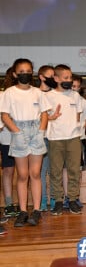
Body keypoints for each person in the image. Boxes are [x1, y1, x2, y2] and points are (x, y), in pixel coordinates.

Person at [0, 58, 50, 227]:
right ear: (15, 74)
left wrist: (41, 131)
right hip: (18, 131)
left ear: (32, 73)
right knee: (22, 175)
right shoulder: (9, 92)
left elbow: (44, 113)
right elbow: (5, 115)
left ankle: (36, 210)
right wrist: (16, 131)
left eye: (28, 71)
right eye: (21, 72)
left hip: (35, 130)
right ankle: (22, 211)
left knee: (35, 173)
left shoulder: (38, 92)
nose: (25, 74)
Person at [45, 64, 82, 216]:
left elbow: (78, 115)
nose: (69, 80)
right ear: (56, 78)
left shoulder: (75, 95)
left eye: (70, 77)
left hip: (73, 137)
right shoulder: (48, 96)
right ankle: (58, 200)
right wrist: (51, 117)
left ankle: (72, 199)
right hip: (55, 138)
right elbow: (42, 117)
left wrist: (76, 130)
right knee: (56, 171)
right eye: (65, 78)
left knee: (74, 170)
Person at [61, 74, 86, 209]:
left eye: (78, 87)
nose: (76, 89)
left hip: (79, 139)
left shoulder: (84, 102)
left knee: (77, 170)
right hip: (63, 139)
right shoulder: (61, 100)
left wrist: (77, 128)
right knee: (65, 169)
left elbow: (85, 122)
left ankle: (75, 196)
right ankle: (66, 197)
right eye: (73, 86)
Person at [38, 65, 58, 211]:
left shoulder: (56, 94)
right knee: (41, 171)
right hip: (41, 138)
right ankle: (42, 200)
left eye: (54, 76)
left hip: (55, 137)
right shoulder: (34, 94)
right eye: (49, 76)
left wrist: (52, 118)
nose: (52, 79)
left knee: (54, 171)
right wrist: (47, 118)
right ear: (41, 77)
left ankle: (55, 198)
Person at [0, 67, 18, 218]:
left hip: (25, 140)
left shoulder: (30, 93)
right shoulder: (3, 95)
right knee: (8, 170)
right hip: (7, 139)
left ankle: (22, 204)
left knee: (26, 172)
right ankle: (8, 203)